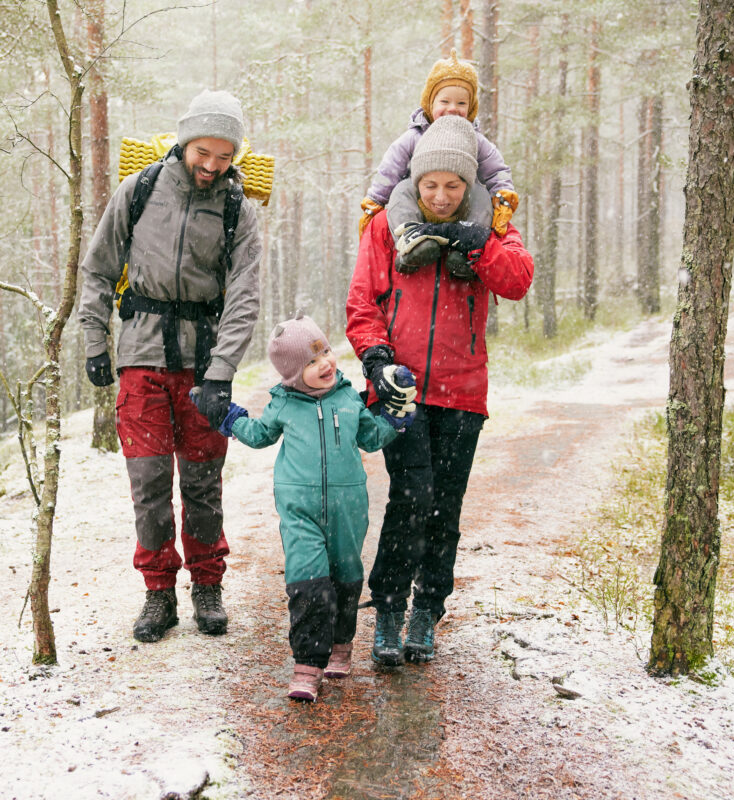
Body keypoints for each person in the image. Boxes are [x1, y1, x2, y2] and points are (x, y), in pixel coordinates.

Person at [346, 115, 534, 667]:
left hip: (462, 392)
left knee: (444, 506)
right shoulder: (386, 226)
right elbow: (362, 302)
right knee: (411, 497)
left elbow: (517, 281)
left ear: (470, 184)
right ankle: (386, 609)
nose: (442, 196)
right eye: (431, 184)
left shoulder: (490, 226)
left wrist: (477, 243)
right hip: (401, 389)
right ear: (415, 180)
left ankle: (427, 610)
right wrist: (376, 360)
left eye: (454, 186)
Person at [78, 90, 262, 643]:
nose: (211, 165)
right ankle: (158, 593)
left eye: (224, 156)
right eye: (203, 151)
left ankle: (207, 586)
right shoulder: (138, 191)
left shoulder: (238, 209)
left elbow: (244, 298)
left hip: (203, 365)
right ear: (184, 142)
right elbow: (99, 268)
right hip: (141, 357)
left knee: (203, 483)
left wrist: (222, 370)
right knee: (149, 482)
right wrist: (93, 339)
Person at [214, 314, 413, 700]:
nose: (324, 363)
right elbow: (258, 435)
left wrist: (395, 416)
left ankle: (341, 643)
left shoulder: (348, 400)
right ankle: (307, 664)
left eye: (324, 352)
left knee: (345, 577)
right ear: (291, 374)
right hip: (299, 507)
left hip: (348, 507)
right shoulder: (283, 404)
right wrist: (227, 417)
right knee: (308, 581)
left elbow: (372, 439)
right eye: (310, 361)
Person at [358, 50, 516, 238]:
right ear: (430, 103)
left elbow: (495, 169)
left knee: (480, 195)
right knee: (401, 191)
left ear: (470, 107)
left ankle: (468, 241)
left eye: (461, 103)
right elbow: (390, 168)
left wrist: (503, 194)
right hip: (421, 198)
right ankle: (410, 238)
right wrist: (375, 199)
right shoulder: (415, 136)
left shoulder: (473, 139)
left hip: (459, 202)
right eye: (444, 101)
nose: (452, 108)